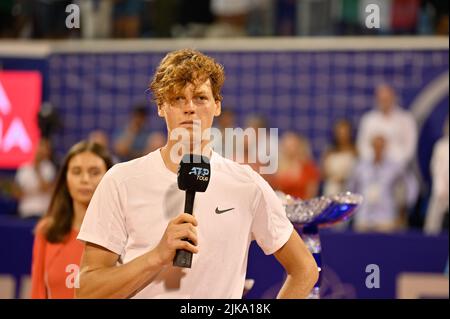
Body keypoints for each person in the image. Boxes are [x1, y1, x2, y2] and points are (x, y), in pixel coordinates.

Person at [76, 49, 318, 299]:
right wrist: (156, 256)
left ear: (217, 106)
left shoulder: (247, 184)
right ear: (161, 106)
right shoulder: (121, 180)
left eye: (201, 98)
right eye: (178, 98)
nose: (190, 108)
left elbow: (305, 269)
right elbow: (86, 292)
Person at [31, 141, 113, 298]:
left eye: (94, 172)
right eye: (76, 172)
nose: (84, 179)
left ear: (109, 178)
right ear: (65, 178)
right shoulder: (47, 230)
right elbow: (37, 292)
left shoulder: (122, 235)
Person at [348, 135, 415, 233]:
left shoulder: (394, 166)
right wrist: (353, 207)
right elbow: (351, 187)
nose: (378, 149)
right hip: (364, 216)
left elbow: (411, 183)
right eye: (376, 146)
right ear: (372, 146)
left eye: (381, 146)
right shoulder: (361, 166)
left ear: (385, 147)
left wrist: (406, 206)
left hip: (386, 216)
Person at [357, 84, 417, 168]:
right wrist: (375, 161)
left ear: (393, 98)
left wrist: (394, 164)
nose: (384, 102)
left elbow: (409, 149)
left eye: (387, 99)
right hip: (372, 167)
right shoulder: (368, 119)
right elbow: (362, 146)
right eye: (381, 99)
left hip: (399, 167)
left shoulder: (406, 119)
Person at [13, 138, 56, 219]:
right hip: (26, 212)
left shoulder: (49, 167)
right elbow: (16, 194)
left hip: (43, 212)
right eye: (40, 147)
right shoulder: (23, 168)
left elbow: (45, 188)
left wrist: (37, 170)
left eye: (45, 149)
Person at [271, 132, 320, 200]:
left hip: (302, 205)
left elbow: (311, 193)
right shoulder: (275, 168)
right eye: (287, 146)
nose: (289, 149)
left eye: (292, 145)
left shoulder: (308, 167)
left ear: (299, 147)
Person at [424, 119, 449, 234]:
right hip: (441, 193)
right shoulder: (441, 146)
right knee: (432, 226)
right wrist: (440, 189)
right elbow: (436, 169)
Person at [321, 119, 358, 196]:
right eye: (340, 132)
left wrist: (345, 178)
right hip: (332, 188)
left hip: (349, 188)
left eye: (345, 132)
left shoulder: (355, 151)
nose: (342, 135)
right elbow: (323, 173)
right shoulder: (329, 151)